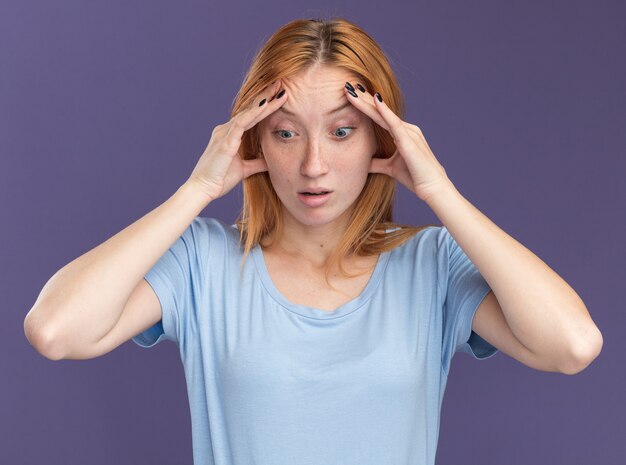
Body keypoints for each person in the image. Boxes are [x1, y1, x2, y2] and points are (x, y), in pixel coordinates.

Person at [24, 17, 602, 465]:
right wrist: (197, 189)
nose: (314, 165)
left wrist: (440, 190)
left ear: (382, 138)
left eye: (342, 131)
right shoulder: (203, 260)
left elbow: (572, 345)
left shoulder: (432, 265)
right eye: (285, 133)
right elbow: (55, 330)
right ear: (254, 140)